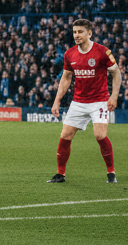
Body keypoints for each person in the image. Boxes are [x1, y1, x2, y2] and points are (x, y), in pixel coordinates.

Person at [48, 18, 121, 183]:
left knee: (100, 135)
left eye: (80, 32)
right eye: (74, 32)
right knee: (65, 135)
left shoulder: (103, 52)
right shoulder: (70, 53)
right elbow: (66, 77)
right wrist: (57, 100)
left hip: (99, 101)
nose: (76, 35)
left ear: (90, 33)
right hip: (78, 102)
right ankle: (60, 174)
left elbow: (116, 73)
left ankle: (111, 173)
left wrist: (114, 96)